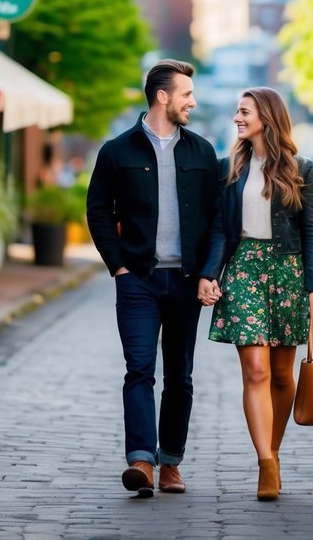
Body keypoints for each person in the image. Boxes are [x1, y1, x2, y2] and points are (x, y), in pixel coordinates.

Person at [86, 59, 219, 498]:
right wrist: (119, 266)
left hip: (185, 281)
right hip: (138, 280)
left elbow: (217, 220)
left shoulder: (202, 153)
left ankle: (171, 463)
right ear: (162, 97)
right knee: (139, 370)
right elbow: (98, 211)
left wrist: (208, 273)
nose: (192, 102)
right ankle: (141, 460)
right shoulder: (117, 151)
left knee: (180, 375)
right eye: (186, 94)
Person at [199, 87, 313, 502]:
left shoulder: (302, 169)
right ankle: (266, 463)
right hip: (244, 269)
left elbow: (311, 233)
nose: (237, 118)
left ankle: (274, 448)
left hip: (288, 272)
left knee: (283, 375)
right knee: (256, 371)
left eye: (244, 111)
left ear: (266, 117)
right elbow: (220, 230)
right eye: (237, 111)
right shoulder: (230, 169)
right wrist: (210, 274)